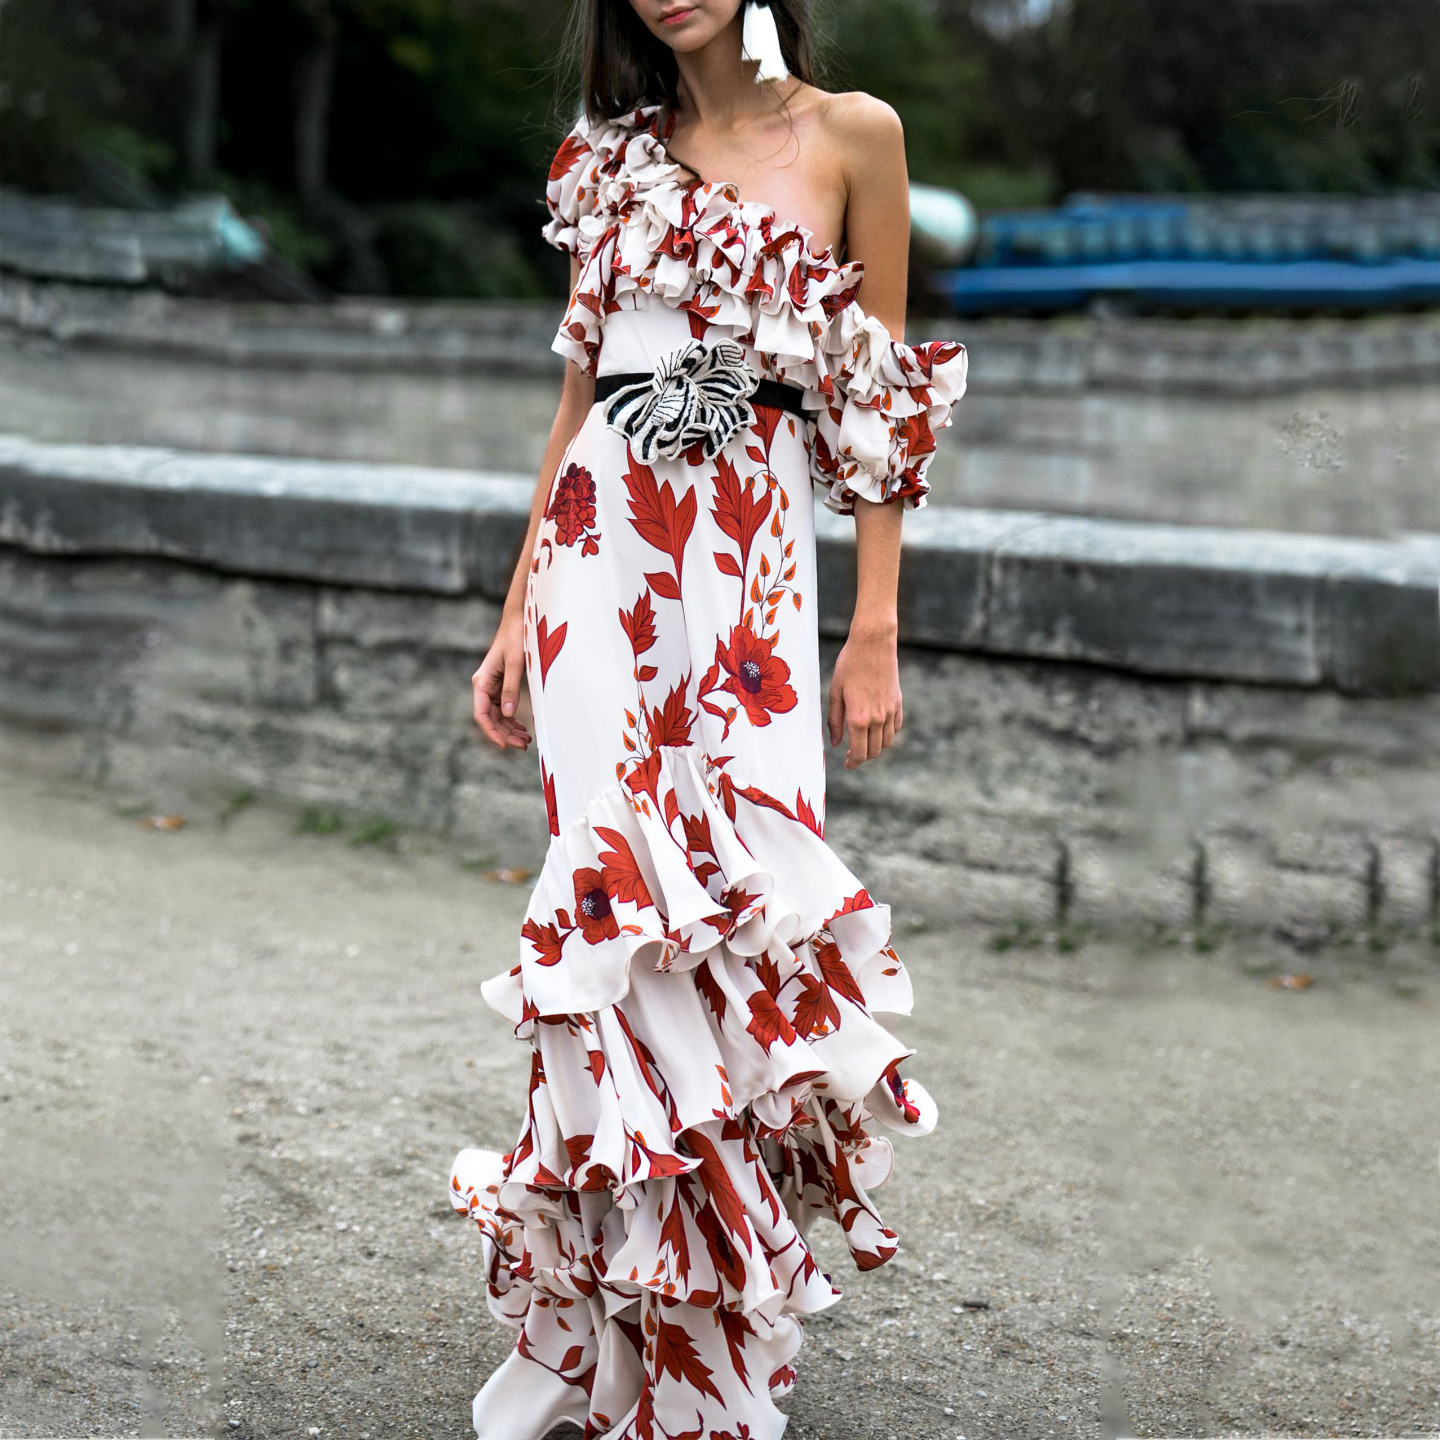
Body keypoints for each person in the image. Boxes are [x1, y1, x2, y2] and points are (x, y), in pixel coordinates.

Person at [449, 0, 967, 1432]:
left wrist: (874, 627)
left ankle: (713, 1334)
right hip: (598, 550)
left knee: (741, 892)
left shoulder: (855, 135)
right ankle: (615, 1313)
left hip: (745, 565)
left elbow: (877, 407)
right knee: (614, 903)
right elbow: (573, 408)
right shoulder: (606, 157)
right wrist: (513, 610)